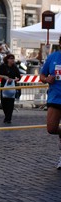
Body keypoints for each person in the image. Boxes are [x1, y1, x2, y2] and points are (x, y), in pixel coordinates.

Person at [39, 37, 61, 169]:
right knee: (51, 129)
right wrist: (47, 79)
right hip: (55, 98)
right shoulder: (53, 57)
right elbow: (42, 76)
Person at [0, 54, 21, 124]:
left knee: (10, 104)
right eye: (11, 58)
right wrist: (4, 77)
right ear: (7, 59)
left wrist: (15, 79)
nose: (12, 60)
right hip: (4, 86)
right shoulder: (3, 66)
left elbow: (19, 77)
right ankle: (6, 116)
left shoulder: (15, 67)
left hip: (12, 87)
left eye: (13, 59)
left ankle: (8, 118)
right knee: (4, 103)